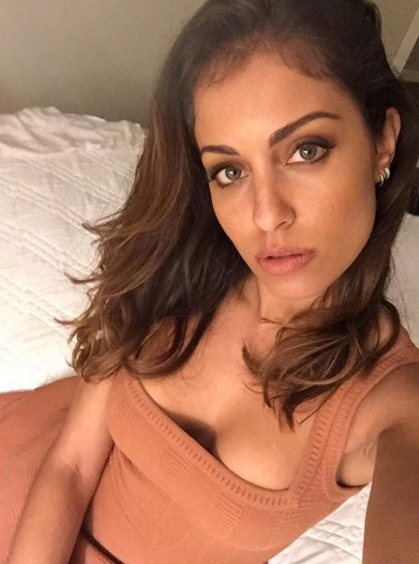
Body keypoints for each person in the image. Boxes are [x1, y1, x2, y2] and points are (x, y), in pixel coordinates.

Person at [1, 0, 419, 562]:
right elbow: (69, 466)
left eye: (306, 150)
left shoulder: (395, 403)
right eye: (230, 170)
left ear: (382, 142)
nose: (266, 215)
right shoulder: (177, 270)